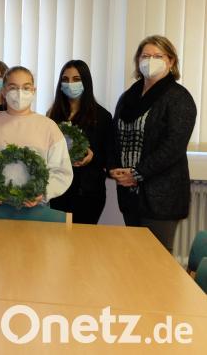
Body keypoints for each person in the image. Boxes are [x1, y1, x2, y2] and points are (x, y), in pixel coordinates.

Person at [109, 35, 196, 251]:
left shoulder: (178, 97)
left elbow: (173, 147)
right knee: (135, 256)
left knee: (156, 260)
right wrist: (115, 169)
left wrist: (136, 173)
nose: (151, 60)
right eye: (146, 55)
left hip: (161, 196)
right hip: (129, 194)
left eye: (158, 56)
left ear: (171, 61)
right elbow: (114, 136)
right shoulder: (128, 97)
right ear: (138, 61)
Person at [0, 66, 73, 208]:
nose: (19, 93)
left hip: (37, 207)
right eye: (13, 87)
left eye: (26, 87)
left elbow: (62, 171)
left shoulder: (49, 127)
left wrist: (43, 192)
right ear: (4, 91)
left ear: (33, 91)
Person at [46, 60, 114, 224]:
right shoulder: (52, 115)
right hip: (60, 189)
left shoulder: (102, 116)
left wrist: (93, 158)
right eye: (66, 79)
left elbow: (110, 156)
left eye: (76, 79)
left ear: (86, 82)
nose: (70, 84)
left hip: (88, 192)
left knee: (83, 243)